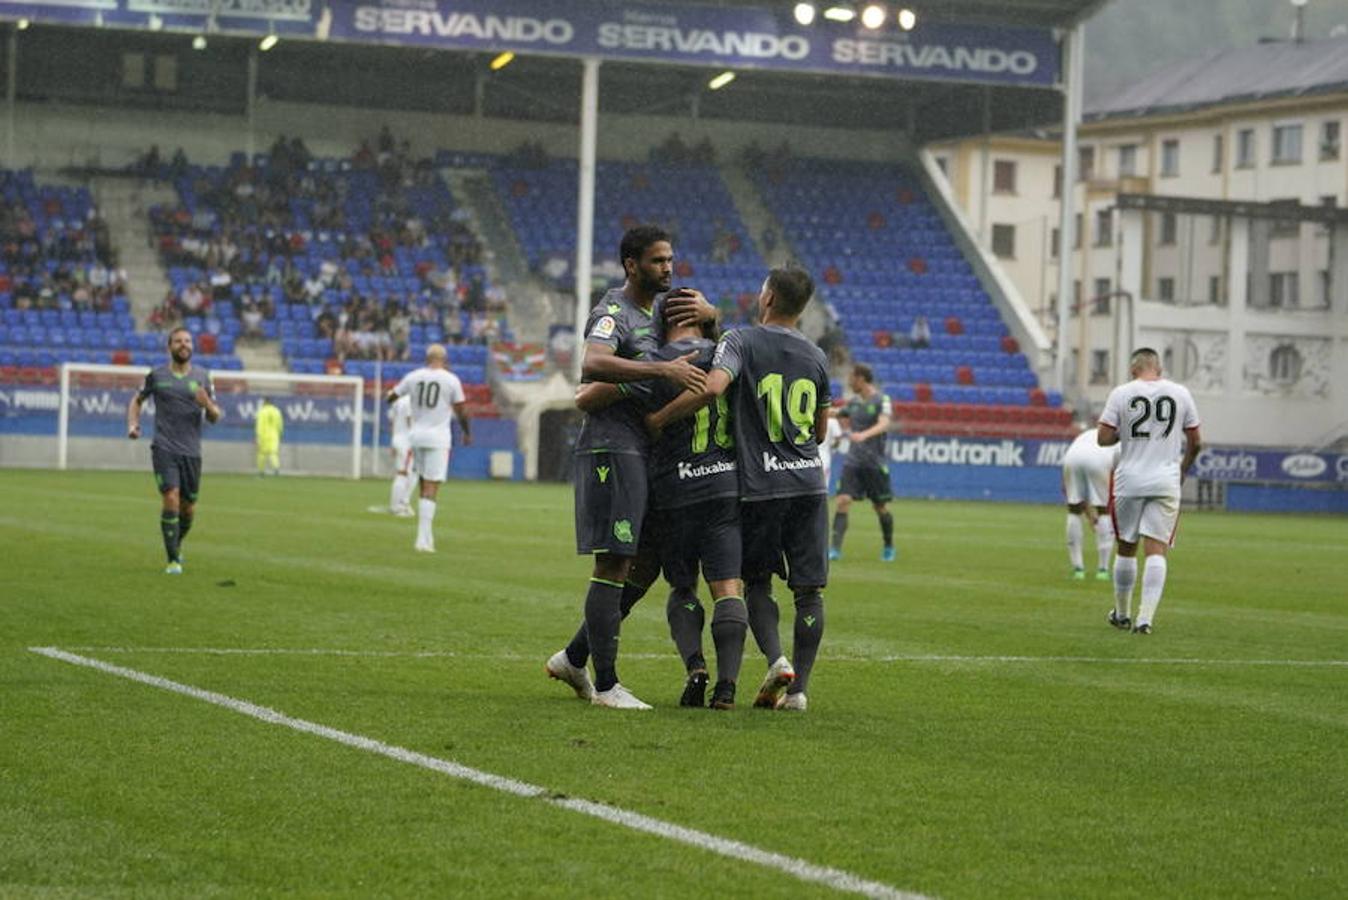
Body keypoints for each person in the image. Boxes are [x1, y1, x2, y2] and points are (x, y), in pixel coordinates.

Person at [542, 224, 711, 711]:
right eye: (658, 261)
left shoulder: (654, 316)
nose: (668, 268)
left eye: (671, 259)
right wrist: (660, 371)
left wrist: (712, 316)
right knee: (613, 562)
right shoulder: (612, 311)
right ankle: (608, 684)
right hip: (612, 447)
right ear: (631, 264)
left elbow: (696, 338)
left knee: (643, 561)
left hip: (641, 449)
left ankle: (574, 658)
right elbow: (593, 365)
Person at [648, 265, 831, 712]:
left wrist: (658, 419)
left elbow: (713, 387)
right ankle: (799, 690)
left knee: (757, 582)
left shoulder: (740, 341)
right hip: (810, 480)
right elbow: (822, 432)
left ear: (767, 297)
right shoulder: (817, 356)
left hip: (762, 484)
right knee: (809, 591)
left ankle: (776, 659)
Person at [576, 315, 746, 710]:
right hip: (724, 484)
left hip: (676, 489)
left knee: (682, 587)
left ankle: (695, 666)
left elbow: (586, 397)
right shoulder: (733, 355)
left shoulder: (664, 360)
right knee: (728, 588)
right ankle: (727, 688)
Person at [1097, 348, 1202, 634]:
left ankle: (1121, 614)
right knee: (1157, 550)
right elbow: (1196, 441)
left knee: (1126, 547)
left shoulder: (1122, 393)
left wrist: (1125, 431)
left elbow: (1103, 438)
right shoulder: (1180, 393)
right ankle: (1145, 619)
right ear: (1160, 369)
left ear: (1133, 370)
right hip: (1166, 480)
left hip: (1129, 479)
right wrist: (1183, 468)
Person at [126, 327, 223, 574]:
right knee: (171, 496)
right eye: (178, 341)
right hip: (164, 448)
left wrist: (208, 405)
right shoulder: (156, 376)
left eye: (188, 341)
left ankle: (176, 543)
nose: (184, 345)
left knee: (188, 507)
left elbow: (215, 417)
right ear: (169, 347)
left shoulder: (203, 376)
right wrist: (133, 424)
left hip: (191, 452)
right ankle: (173, 560)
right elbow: (137, 401)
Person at [386, 344, 472, 553]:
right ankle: (423, 539)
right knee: (431, 487)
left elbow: (391, 396)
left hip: (416, 436)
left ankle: (425, 536)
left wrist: (411, 401)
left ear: (427, 358)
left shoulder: (414, 376)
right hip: (438, 438)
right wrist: (467, 432)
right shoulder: (451, 380)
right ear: (444, 359)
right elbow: (461, 410)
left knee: (422, 482)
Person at [829, 365, 896, 562]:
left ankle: (889, 546)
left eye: (852, 378)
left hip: (874, 463)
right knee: (843, 501)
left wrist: (863, 435)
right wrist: (817, 409)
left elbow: (885, 423)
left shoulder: (881, 400)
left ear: (861, 379)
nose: (849, 382)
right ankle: (835, 549)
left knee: (880, 507)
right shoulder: (855, 402)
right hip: (853, 462)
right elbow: (837, 413)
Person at [1061, 424, 1119, 580]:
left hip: (1072, 457)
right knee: (1104, 510)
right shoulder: (1120, 441)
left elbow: (1068, 492)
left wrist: (1088, 515)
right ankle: (1103, 570)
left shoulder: (1086, 435)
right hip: (1099, 458)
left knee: (1073, 510)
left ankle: (1078, 569)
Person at [387, 393, 415, 516]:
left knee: (406, 472)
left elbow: (392, 422)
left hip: (398, 439)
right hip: (407, 441)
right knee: (406, 473)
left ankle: (400, 503)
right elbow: (410, 421)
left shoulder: (397, 402)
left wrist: (393, 442)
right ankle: (399, 505)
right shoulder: (411, 401)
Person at [254, 397, 284, 477]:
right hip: (274, 436)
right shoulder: (277, 411)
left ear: (265, 402)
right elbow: (280, 424)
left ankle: (261, 472)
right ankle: (276, 469)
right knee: (273, 453)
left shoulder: (262, 411)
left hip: (264, 436)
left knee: (262, 454)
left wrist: (258, 436)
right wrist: (280, 433)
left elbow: (259, 425)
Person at [819, 410, 845, 493]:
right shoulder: (832, 421)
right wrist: (833, 447)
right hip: (823, 454)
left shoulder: (810, 417)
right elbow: (838, 438)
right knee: (822, 483)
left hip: (808, 453)